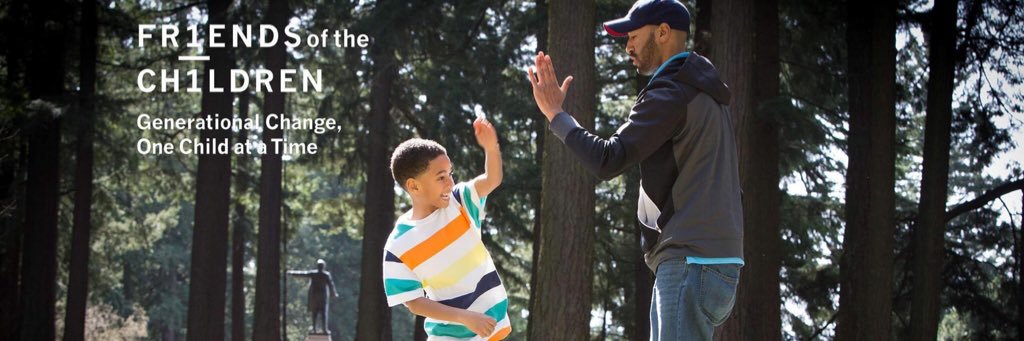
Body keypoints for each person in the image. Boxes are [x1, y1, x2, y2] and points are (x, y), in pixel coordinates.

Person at [526, 0, 743, 339]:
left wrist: (557, 115)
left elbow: (609, 158)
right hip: (715, 265)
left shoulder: (673, 90)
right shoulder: (705, 91)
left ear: (663, 32)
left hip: (689, 262)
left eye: (633, 35)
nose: (627, 46)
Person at [381, 117, 511, 340]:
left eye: (450, 174)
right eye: (441, 177)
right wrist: (464, 317)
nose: (450, 183)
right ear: (413, 186)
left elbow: (492, 179)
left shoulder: (460, 202)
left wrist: (491, 148)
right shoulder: (398, 245)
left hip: (492, 326)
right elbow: (413, 302)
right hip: (449, 336)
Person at [287, 259, 338, 334]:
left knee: (315, 313)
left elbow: (302, 274)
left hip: (314, 297)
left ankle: (314, 329)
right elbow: (331, 285)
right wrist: (334, 294)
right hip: (323, 297)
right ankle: (324, 329)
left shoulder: (313, 273)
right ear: (323, 266)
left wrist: (291, 273)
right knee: (323, 313)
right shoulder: (326, 275)